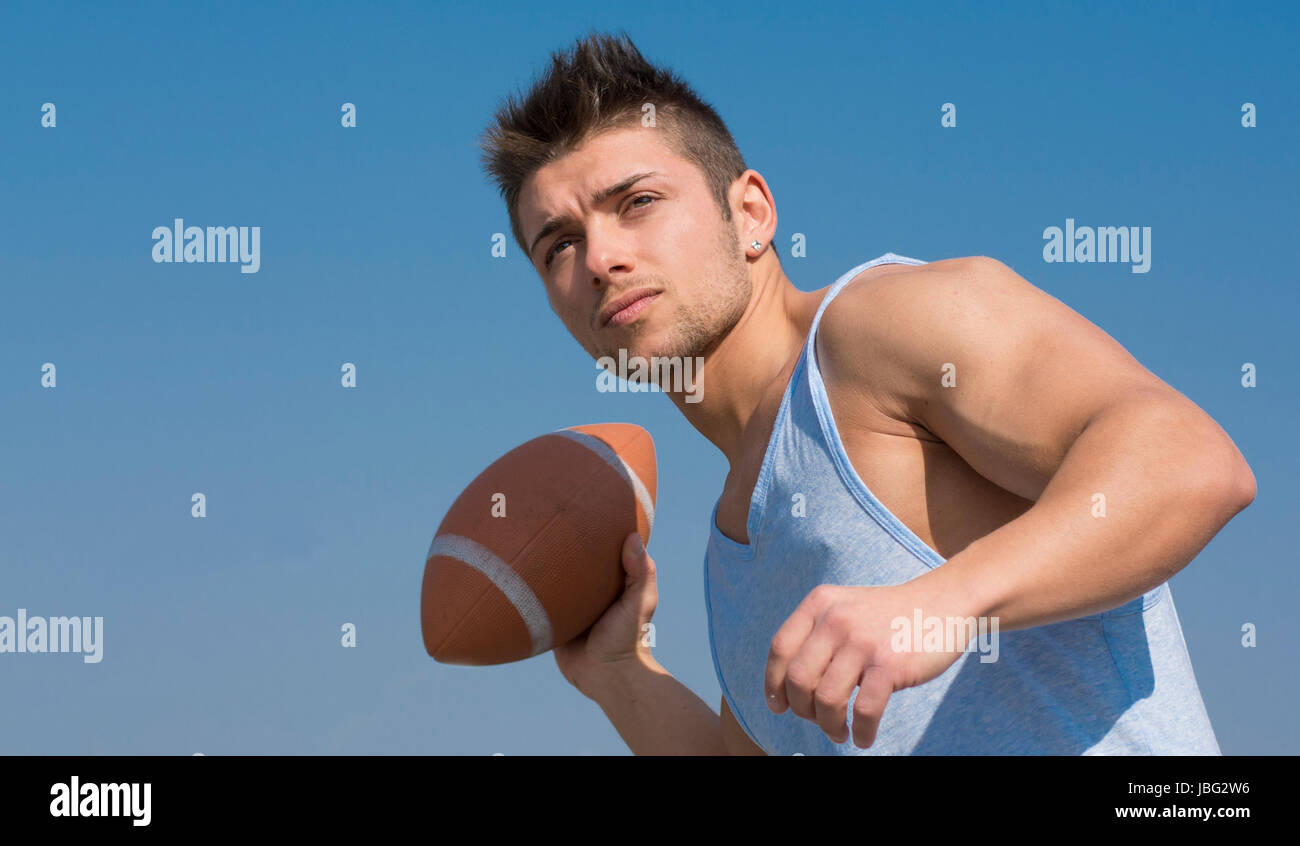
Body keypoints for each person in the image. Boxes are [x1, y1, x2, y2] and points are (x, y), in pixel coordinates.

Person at [477, 30, 1255, 755]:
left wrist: (944, 602)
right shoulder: (729, 562)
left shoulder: (877, 329)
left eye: (637, 203)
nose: (601, 258)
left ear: (750, 213)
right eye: (560, 247)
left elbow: (1191, 462)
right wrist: (620, 675)